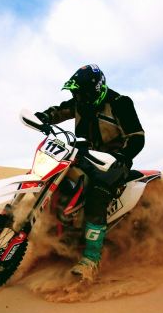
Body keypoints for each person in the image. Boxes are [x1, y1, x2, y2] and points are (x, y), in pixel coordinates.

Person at [35, 64, 145, 279]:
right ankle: (56, 232)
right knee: (55, 177)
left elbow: (137, 137)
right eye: (76, 93)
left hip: (114, 161)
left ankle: (91, 259)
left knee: (97, 192)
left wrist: (121, 157)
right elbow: (60, 111)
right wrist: (44, 117)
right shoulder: (80, 102)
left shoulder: (120, 103)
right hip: (85, 156)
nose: (78, 96)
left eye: (82, 92)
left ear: (97, 88)